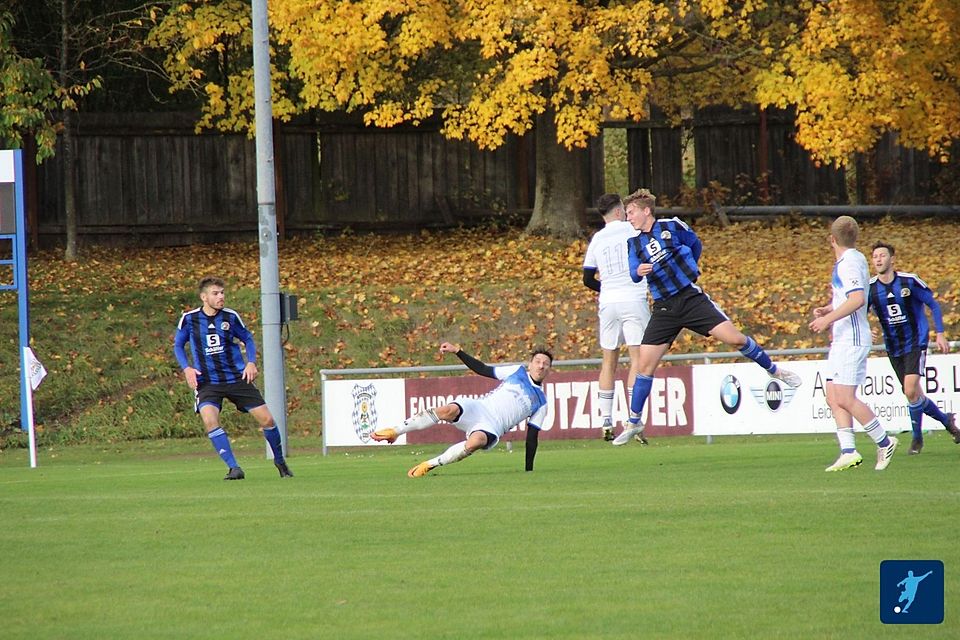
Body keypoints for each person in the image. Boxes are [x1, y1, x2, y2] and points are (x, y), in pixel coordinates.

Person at [613, 188, 801, 446]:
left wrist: (686, 267)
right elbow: (634, 273)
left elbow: (695, 244)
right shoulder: (633, 242)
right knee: (644, 366)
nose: (628, 217)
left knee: (734, 339)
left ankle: (774, 370)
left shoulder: (672, 226)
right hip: (664, 307)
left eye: (631, 212)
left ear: (646, 210)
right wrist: (639, 270)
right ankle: (634, 421)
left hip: (690, 298)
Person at [371, 342, 553, 476]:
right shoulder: (517, 371)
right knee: (447, 411)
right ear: (530, 364)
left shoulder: (541, 402)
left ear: (549, 370)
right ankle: (395, 431)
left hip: (492, 427)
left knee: (476, 442)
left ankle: (430, 464)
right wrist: (458, 351)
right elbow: (483, 369)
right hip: (479, 407)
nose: (541, 365)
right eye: (537, 361)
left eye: (545, 364)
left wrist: (529, 471)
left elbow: (531, 438)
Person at [174, 276, 293, 480]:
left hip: (236, 379)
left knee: (268, 419)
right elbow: (178, 345)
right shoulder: (190, 319)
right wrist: (187, 369)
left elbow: (247, 338)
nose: (221, 297)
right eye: (215, 293)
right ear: (204, 297)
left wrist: (251, 362)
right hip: (208, 382)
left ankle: (280, 461)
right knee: (210, 420)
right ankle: (234, 468)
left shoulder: (230, 317)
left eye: (222, 293)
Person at [809, 216, 898, 471]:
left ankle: (884, 441)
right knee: (833, 396)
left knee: (845, 397)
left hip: (852, 337)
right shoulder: (854, 259)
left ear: (832, 239)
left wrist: (827, 319)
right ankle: (848, 451)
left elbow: (858, 299)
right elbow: (849, 296)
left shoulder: (848, 263)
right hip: (842, 337)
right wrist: (829, 308)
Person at [868, 241, 959, 454]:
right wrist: (868, 330)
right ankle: (947, 421)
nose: (878, 259)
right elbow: (861, 313)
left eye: (882, 255)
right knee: (914, 394)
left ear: (892, 259)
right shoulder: (871, 288)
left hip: (915, 342)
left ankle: (917, 439)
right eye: (875, 256)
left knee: (910, 390)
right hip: (893, 346)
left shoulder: (909, 281)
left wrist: (940, 332)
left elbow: (933, 304)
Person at [582, 193, 651, 441]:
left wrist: (608, 288)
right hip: (633, 298)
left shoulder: (597, 239)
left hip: (608, 302)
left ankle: (606, 421)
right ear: (621, 211)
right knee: (637, 359)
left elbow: (587, 278)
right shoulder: (633, 231)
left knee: (608, 361)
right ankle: (634, 419)